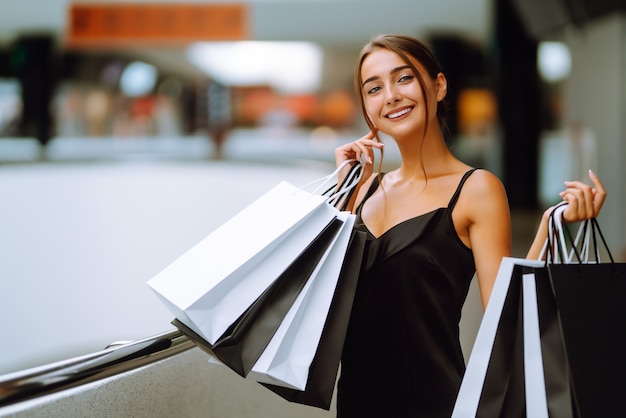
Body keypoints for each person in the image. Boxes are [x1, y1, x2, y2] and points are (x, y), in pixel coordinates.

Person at [333, 34, 606, 417]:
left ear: (439, 85)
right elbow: (321, 309)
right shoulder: (362, 192)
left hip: (435, 403)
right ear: (366, 106)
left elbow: (505, 316)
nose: (390, 95)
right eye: (374, 88)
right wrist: (342, 191)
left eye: (404, 78)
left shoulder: (476, 189)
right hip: (356, 404)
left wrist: (551, 227)